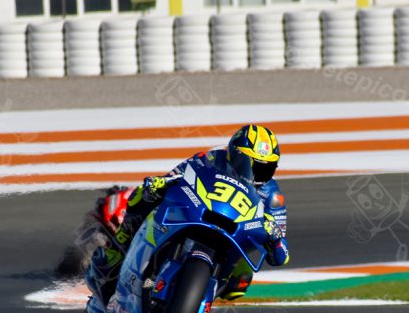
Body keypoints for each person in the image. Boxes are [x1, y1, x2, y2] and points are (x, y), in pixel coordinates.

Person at [87, 124, 289, 303]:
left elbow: (281, 256)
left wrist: (276, 239)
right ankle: (117, 248)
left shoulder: (272, 195)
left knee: (242, 280)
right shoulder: (211, 158)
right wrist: (161, 184)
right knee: (144, 194)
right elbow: (176, 176)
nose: (259, 173)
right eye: (253, 165)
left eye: (267, 168)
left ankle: (197, 301)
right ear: (236, 155)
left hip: (234, 237)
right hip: (200, 214)